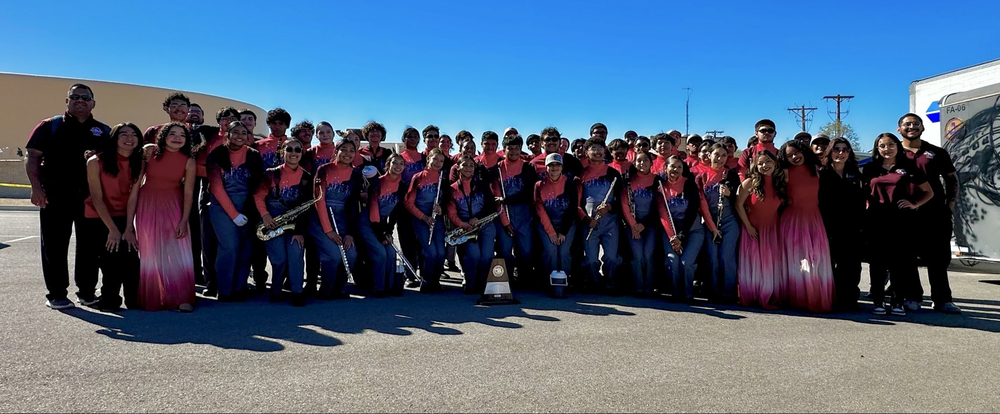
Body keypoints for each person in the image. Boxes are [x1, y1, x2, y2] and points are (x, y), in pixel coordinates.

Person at [25, 83, 110, 309]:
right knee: (54, 246)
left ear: (94, 103)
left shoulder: (103, 131)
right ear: (67, 101)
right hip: (55, 196)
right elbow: (32, 157)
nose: (80, 101)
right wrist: (36, 188)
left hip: (91, 199)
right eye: (75, 97)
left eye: (85, 97)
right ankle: (57, 294)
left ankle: (87, 292)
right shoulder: (49, 126)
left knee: (90, 247)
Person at [862, 132, 934, 316]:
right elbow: (864, 193)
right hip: (876, 220)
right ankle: (878, 301)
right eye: (882, 146)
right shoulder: (870, 168)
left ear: (898, 145)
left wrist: (914, 204)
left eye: (891, 144)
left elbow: (928, 192)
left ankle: (897, 302)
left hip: (901, 221)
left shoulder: (909, 167)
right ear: (877, 148)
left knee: (900, 263)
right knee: (877, 263)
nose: (887, 149)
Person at [897, 113, 962, 314]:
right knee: (907, 257)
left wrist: (949, 205)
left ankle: (942, 299)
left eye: (916, 124)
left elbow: (952, 180)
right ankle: (913, 297)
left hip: (935, 213)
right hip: (904, 214)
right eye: (907, 124)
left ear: (922, 128)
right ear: (899, 129)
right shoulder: (893, 151)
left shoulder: (937, 153)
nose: (912, 127)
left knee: (938, 258)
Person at [135, 123, 197, 311]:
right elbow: (136, 184)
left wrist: (185, 219)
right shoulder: (148, 151)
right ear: (163, 136)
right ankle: (154, 297)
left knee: (177, 249)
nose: (177, 138)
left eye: (182, 135)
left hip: (175, 203)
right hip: (147, 203)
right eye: (172, 134)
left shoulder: (189, 160)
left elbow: (189, 193)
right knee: (151, 249)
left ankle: (182, 298)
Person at [83, 123, 143, 311]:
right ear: (114, 138)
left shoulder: (139, 161)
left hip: (126, 214)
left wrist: (128, 228)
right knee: (110, 259)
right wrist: (113, 229)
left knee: (132, 258)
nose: (129, 138)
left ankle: (134, 300)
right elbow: (97, 197)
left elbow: (134, 196)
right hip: (99, 216)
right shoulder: (95, 161)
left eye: (133, 135)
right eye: (123, 134)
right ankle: (110, 298)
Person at [207, 121, 263, 302]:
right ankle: (224, 290)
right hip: (222, 207)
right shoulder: (216, 155)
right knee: (229, 247)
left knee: (246, 249)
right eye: (235, 132)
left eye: (243, 132)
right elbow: (216, 188)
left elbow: (257, 185)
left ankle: (239, 288)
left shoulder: (253, 155)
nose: (239, 135)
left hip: (247, 205)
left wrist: (250, 210)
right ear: (227, 134)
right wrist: (234, 214)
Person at [777, 139, 835, 313]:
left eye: (797, 152)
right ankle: (798, 298)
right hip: (792, 220)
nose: (794, 157)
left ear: (804, 151)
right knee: (795, 260)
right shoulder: (784, 172)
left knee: (817, 259)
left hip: (814, 219)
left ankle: (814, 296)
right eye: (789, 155)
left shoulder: (817, 170)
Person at [254, 138, 312, 306]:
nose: (293, 153)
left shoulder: (307, 178)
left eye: (297, 150)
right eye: (290, 149)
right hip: (272, 220)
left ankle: (297, 292)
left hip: (296, 223)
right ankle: (276, 289)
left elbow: (305, 207)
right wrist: (265, 216)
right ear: (282, 152)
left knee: (296, 253)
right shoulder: (271, 173)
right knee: (278, 258)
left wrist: (298, 231)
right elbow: (258, 197)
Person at [194, 107, 239, 297]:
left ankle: (234, 282)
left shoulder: (245, 139)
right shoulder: (210, 140)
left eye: (232, 118)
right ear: (219, 121)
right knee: (209, 242)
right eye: (224, 118)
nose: (228, 121)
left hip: (238, 196)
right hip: (210, 195)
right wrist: (219, 175)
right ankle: (212, 282)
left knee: (234, 243)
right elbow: (197, 167)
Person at [310, 138, 362, 299]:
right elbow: (319, 199)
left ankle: (338, 288)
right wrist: (328, 230)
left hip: (343, 219)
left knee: (350, 253)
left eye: (351, 151)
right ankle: (325, 289)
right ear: (336, 151)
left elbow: (354, 205)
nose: (348, 154)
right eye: (344, 149)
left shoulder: (356, 174)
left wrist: (350, 233)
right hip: (321, 218)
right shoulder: (323, 169)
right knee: (332, 255)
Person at [659, 155, 716, 301]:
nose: (675, 170)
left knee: (687, 262)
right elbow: (663, 215)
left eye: (679, 167)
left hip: (692, 231)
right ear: (665, 168)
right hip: (670, 232)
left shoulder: (690, 184)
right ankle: (676, 294)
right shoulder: (660, 186)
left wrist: (681, 237)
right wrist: (673, 237)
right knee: (672, 260)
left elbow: (692, 212)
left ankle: (688, 294)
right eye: (672, 166)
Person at [735, 149, 786, 310]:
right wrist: (748, 226)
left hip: (772, 228)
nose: (765, 165)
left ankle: (768, 295)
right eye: (761, 163)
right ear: (755, 166)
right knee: (754, 263)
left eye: (768, 162)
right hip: (753, 228)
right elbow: (738, 205)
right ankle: (752, 295)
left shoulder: (780, 182)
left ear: (775, 163)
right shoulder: (749, 182)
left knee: (770, 264)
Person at [819, 138, 865, 311]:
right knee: (830, 266)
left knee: (852, 266)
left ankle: (850, 299)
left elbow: (861, 201)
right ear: (830, 152)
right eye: (836, 149)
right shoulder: (821, 174)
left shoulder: (856, 174)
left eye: (845, 149)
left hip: (852, 228)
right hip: (827, 227)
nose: (840, 152)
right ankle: (831, 298)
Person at [446, 155, 499, 294]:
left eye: (471, 165)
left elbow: (491, 206)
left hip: (484, 223)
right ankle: (471, 283)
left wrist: (478, 218)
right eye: (464, 165)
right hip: (465, 227)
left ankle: (482, 284)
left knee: (487, 256)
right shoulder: (452, 189)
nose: (468, 168)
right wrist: (462, 224)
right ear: (458, 168)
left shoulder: (482, 184)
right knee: (473, 255)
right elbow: (451, 212)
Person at [577, 138, 623, 292]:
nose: (597, 152)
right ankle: (594, 282)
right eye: (593, 148)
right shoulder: (581, 174)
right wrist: (585, 218)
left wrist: (610, 206)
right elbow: (576, 202)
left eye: (600, 148)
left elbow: (622, 200)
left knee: (611, 257)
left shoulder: (613, 173)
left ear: (605, 151)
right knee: (590, 259)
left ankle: (610, 282)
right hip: (589, 222)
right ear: (586, 152)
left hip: (610, 223)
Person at [697, 143, 741, 302]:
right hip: (710, 221)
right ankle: (713, 291)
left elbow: (741, 199)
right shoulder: (701, 176)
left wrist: (730, 194)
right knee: (713, 257)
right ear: (709, 155)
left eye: (724, 155)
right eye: (717, 155)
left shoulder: (731, 174)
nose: (720, 158)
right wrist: (713, 228)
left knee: (726, 257)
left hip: (729, 221)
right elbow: (702, 205)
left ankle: (729, 292)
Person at [494, 134, 539, 286]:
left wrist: (506, 200)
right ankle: (507, 280)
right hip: (504, 215)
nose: (513, 151)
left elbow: (528, 194)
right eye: (510, 148)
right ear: (504, 149)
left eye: (516, 148)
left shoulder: (528, 167)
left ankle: (524, 278)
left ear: (521, 149)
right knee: (505, 250)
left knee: (525, 250)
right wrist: (505, 222)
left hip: (524, 215)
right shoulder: (498, 169)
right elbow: (496, 197)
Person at [362, 154, 408, 297]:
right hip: (368, 222)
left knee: (391, 252)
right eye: (395, 163)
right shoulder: (377, 183)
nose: (398, 166)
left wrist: (388, 230)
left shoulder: (402, 186)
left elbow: (395, 212)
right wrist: (381, 233)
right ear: (388, 164)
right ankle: (379, 288)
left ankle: (391, 286)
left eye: (401, 163)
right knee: (380, 254)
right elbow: (373, 209)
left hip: (382, 223)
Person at [535, 154, 579, 296]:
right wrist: (551, 232)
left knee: (564, 252)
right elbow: (540, 210)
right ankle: (549, 282)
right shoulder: (539, 185)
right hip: (547, 224)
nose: (554, 168)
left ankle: (566, 282)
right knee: (550, 251)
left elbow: (572, 209)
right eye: (551, 165)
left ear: (562, 167)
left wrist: (563, 232)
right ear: (546, 167)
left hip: (567, 224)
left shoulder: (570, 183)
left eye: (557, 165)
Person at [405, 148, 449, 293]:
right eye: (434, 159)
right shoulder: (418, 177)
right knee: (430, 252)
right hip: (421, 219)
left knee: (441, 253)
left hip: (437, 220)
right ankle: (426, 281)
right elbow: (408, 203)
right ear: (428, 159)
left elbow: (447, 201)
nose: (437, 163)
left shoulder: (443, 178)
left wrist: (441, 208)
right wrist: (423, 217)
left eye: (441, 161)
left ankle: (436, 281)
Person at [620, 153, 662, 296]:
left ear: (651, 163)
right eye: (639, 160)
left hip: (651, 224)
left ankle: (649, 287)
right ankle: (638, 287)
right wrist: (633, 225)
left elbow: (659, 206)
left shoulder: (658, 181)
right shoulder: (628, 181)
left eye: (646, 160)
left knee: (648, 255)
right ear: (635, 163)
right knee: (637, 256)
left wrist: (643, 224)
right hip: (633, 225)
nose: (642, 163)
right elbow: (624, 204)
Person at [398, 127, 427, 288]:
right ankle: (410, 274)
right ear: (403, 139)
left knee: (421, 242)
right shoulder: (399, 157)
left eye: (415, 136)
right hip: (404, 206)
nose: (412, 139)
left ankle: (424, 274)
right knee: (407, 241)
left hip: (422, 206)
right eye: (409, 136)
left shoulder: (424, 158)